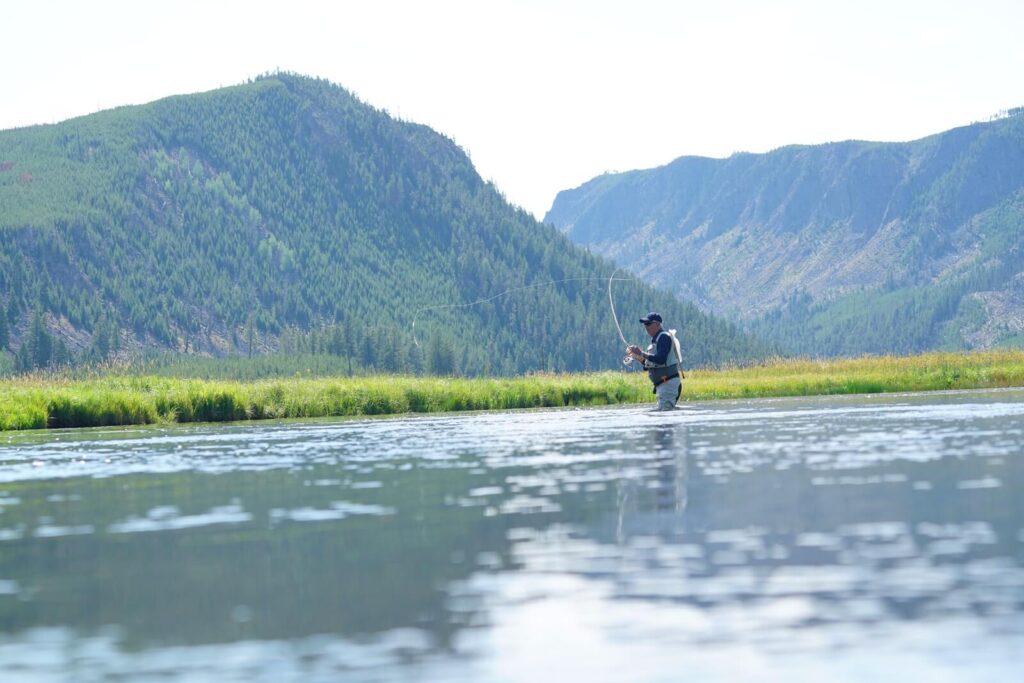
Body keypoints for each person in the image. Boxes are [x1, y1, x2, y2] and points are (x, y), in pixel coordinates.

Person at [626, 312, 683, 411]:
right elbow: (650, 365)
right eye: (645, 324)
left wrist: (642, 353)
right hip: (664, 384)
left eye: (648, 324)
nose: (646, 326)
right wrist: (637, 356)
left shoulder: (664, 337)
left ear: (657, 324)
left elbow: (661, 359)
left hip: (668, 383)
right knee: (665, 414)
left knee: (665, 416)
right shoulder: (656, 340)